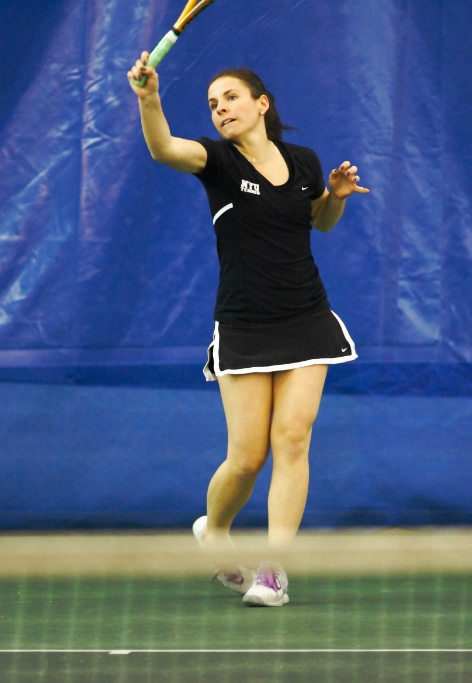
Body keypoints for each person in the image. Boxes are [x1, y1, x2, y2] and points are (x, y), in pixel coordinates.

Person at [127, 53, 369, 607]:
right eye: (213, 105)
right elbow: (164, 147)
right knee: (247, 458)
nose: (220, 110)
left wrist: (333, 197)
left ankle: (273, 568)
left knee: (292, 437)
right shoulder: (214, 160)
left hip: (307, 317)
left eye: (230, 98)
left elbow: (316, 224)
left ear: (261, 104)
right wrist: (149, 99)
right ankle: (214, 535)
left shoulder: (304, 161)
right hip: (244, 323)